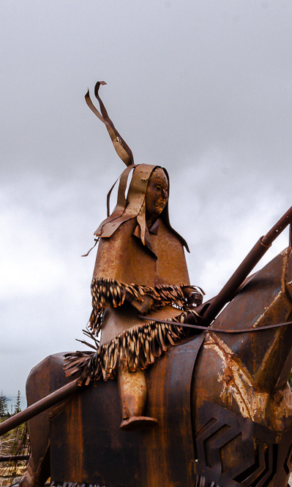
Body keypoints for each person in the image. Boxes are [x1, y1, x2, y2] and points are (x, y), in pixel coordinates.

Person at [75, 83, 202, 430]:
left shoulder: (172, 240)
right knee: (133, 357)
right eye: (156, 188)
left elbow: (179, 284)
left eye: (167, 190)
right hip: (128, 321)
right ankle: (133, 414)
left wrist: (188, 296)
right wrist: (136, 299)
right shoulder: (117, 229)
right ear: (139, 191)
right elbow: (103, 286)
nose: (162, 196)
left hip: (171, 317)